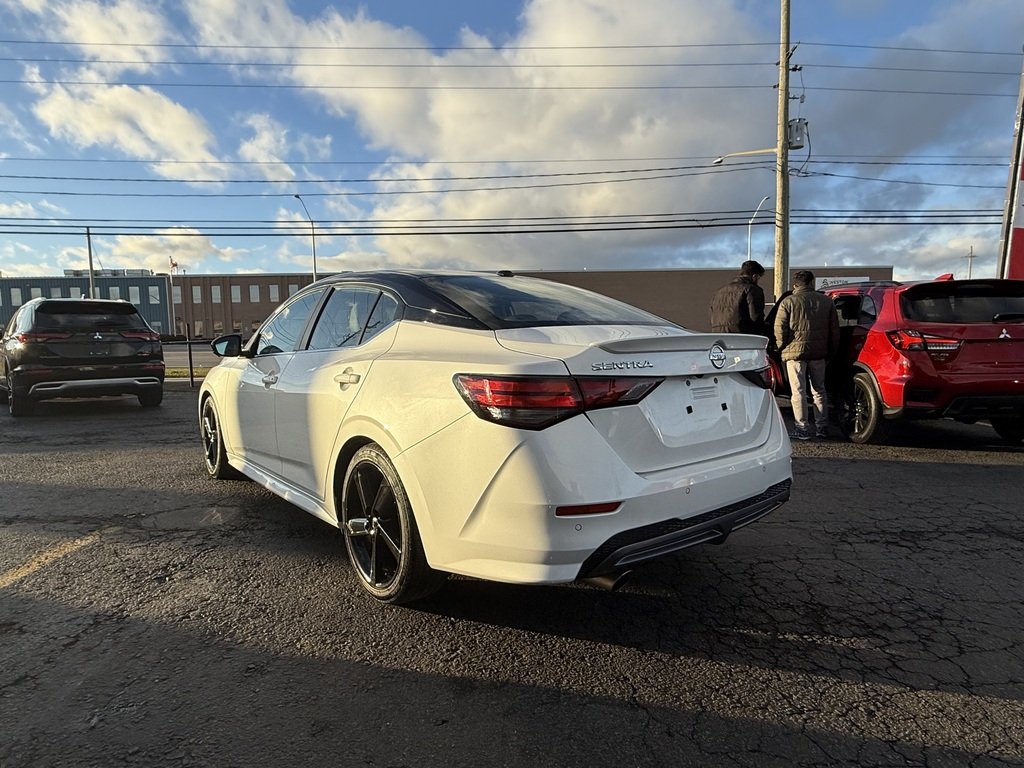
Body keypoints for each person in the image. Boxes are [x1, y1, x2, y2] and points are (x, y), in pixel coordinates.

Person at [773, 270, 840, 441]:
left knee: (798, 392)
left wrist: (781, 348)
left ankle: (802, 429)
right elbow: (834, 330)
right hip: (818, 353)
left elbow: (779, 329)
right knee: (819, 390)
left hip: (794, 354)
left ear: (795, 285)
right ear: (812, 282)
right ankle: (822, 428)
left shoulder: (788, 302)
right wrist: (831, 350)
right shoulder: (826, 302)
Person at [708, 260, 767, 336]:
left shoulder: (718, 292)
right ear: (754, 276)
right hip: (742, 335)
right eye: (758, 278)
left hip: (717, 333)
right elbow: (756, 317)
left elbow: (711, 315)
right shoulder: (752, 289)